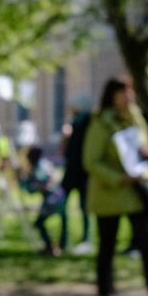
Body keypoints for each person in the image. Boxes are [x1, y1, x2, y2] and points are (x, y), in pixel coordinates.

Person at [82, 75, 148, 296]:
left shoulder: (136, 118)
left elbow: (144, 146)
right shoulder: (101, 122)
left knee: (147, 243)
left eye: (131, 93)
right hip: (110, 193)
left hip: (137, 190)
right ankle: (105, 291)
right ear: (112, 96)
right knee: (107, 245)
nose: (128, 98)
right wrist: (118, 177)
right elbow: (91, 160)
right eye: (123, 93)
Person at [60, 94, 93, 253]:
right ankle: (63, 239)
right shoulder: (74, 122)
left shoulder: (87, 121)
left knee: (84, 207)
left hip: (82, 172)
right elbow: (66, 151)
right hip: (71, 171)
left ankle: (86, 239)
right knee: (61, 204)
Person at [20, 145, 68, 255]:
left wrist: (27, 183)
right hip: (60, 195)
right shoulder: (44, 163)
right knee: (63, 221)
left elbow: (39, 185)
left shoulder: (38, 168)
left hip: (53, 199)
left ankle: (51, 247)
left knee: (39, 223)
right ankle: (60, 246)